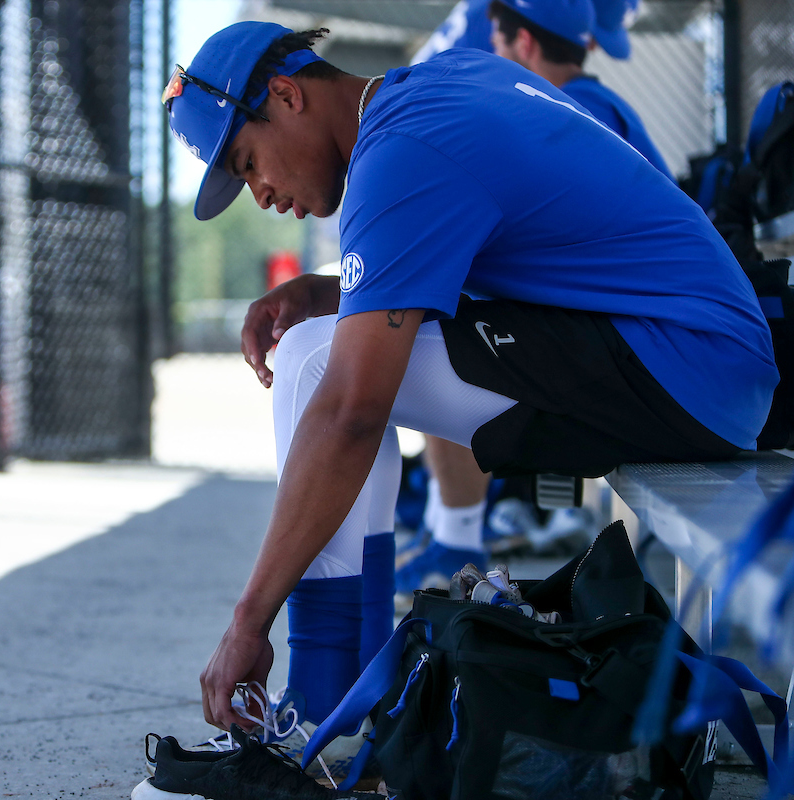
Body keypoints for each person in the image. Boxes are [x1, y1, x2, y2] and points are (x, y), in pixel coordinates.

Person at [164, 19, 776, 770]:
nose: (259, 194)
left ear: (287, 95)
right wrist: (331, 290)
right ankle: (339, 701)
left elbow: (352, 411)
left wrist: (247, 618)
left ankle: (326, 710)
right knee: (322, 343)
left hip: (682, 367)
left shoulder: (400, 152)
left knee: (315, 364)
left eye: (246, 161)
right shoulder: (439, 85)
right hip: (695, 357)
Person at [395, 0, 677, 594]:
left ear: (524, 45)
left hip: (647, 351)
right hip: (639, 337)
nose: (494, 59)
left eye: (500, 44)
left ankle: (456, 535)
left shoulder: (571, 110)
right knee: (444, 307)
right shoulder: (586, 103)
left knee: (440, 321)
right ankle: (452, 528)